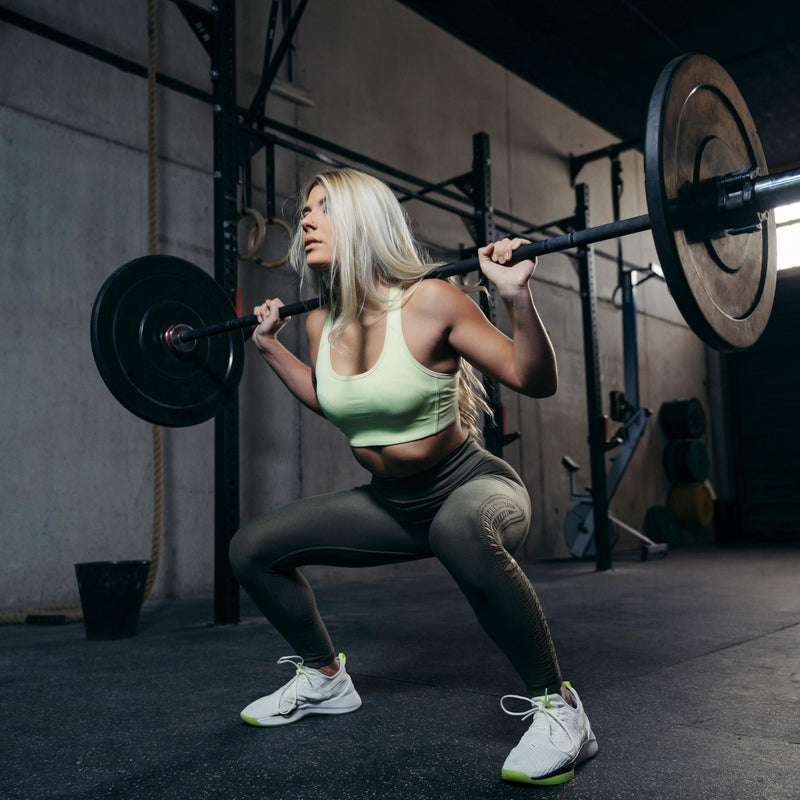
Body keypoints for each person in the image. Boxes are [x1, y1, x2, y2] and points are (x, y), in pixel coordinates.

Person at [228, 167, 597, 786]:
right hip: (392, 505)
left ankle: (559, 710)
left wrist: (515, 298)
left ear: (365, 221)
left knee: (457, 529)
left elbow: (534, 380)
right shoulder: (321, 324)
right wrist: (270, 348)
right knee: (252, 549)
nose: (306, 219)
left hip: (473, 487)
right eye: (306, 210)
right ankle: (324, 678)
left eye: (324, 207)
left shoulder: (430, 301)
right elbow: (331, 398)